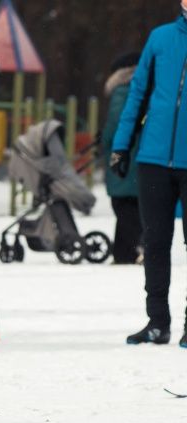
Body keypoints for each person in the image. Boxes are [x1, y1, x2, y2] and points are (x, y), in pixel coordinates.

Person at [111, 2, 187, 349]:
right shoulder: (160, 38)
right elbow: (138, 92)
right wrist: (121, 145)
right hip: (154, 158)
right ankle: (157, 323)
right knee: (155, 243)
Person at [101, 52, 142, 266]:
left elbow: (115, 126)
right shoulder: (148, 90)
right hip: (140, 155)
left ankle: (132, 248)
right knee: (132, 205)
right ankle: (123, 251)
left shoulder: (123, 91)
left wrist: (105, 142)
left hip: (124, 156)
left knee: (123, 204)